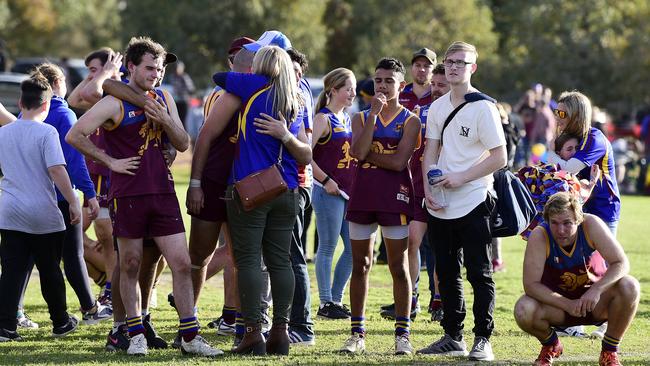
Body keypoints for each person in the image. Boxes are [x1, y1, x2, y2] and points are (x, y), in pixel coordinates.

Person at [66, 36, 222, 357]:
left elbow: (182, 143)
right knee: (131, 264)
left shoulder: (163, 96)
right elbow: (75, 134)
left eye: (160, 69)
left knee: (180, 262)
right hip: (128, 194)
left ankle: (190, 337)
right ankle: (134, 333)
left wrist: (165, 119)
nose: (156, 74)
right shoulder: (114, 102)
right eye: (150, 68)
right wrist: (110, 162)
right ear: (132, 67)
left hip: (163, 192)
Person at [211, 44, 311, 356]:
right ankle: (280, 332)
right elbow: (307, 155)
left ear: (261, 66)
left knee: (249, 260)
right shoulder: (296, 99)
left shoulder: (252, 85)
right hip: (288, 190)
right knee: (281, 261)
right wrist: (284, 135)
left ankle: (253, 333)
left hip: (250, 190)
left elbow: (219, 76)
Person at [418, 41, 506, 361]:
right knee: (445, 271)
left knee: (478, 272)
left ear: (473, 68)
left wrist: (461, 177)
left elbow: (500, 157)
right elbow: (430, 150)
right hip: (440, 202)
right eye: (450, 62)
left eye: (461, 62)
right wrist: (429, 187)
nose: (454, 67)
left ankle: (483, 338)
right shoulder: (439, 106)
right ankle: (453, 336)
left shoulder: (483, 107)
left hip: (473, 198)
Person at [340, 57, 420, 355]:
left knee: (398, 267)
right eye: (378, 80)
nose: (382, 86)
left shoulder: (411, 120)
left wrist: (369, 156)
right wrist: (373, 116)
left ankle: (402, 334)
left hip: (394, 198)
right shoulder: (361, 117)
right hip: (362, 196)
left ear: (401, 85)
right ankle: (357, 333)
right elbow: (357, 152)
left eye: (389, 81)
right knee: (360, 265)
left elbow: (399, 161)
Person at [513, 192, 639, 366]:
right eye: (554, 223)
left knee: (630, 285)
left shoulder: (591, 224)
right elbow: (531, 285)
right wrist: (567, 304)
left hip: (596, 302)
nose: (561, 230)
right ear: (547, 220)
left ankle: (609, 352)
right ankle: (551, 345)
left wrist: (596, 290)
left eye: (567, 223)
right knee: (523, 309)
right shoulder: (540, 235)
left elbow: (621, 263)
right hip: (559, 307)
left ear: (579, 219)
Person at [0, 75, 81, 341]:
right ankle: (60, 322)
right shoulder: (47, 132)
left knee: (11, 271)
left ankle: (6, 326)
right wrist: (72, 200)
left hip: (10, 211)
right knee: (49, 269)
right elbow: (57, 170)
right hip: (43, 212)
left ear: (21, 102)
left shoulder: (3, 132)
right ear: (46, 106)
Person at [184, 36, 254, 340]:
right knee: (199, 254)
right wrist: (196, 183)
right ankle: (189, 322)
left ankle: (238, 322)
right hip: (214, 181)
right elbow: (204, 137)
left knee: (241, 255)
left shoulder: (266, 95)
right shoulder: (223, 95)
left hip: (245, 184)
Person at [546, 91, 622, 340]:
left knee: (609, 264)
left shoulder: (595, 138)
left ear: (576, 114)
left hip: (604, 207)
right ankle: (573, 321)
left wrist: (550, 152)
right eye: (556, 112)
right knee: (577, 264)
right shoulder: (568, 137)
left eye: (562, 113)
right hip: (578, 206)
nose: (557, 117)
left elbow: (568, 169)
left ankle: (610, 318)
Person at [380, 48, 437, 321]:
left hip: (434, 178)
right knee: (411, 241)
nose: (422, 70)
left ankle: (438, 298)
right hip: (405, 177)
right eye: (418, 64)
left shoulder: (440, 95)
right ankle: (410, 299)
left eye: (427, 65)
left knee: (439, 245)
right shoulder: (399, 96)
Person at [311, 68, 357, 321]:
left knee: (353, 250)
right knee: (327, 247)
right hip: (328, 192)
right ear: (333, 90)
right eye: (347, 89)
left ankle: (336, 300)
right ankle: (325, 302)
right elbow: (306, 156)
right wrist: (326, 180)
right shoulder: (322, 119)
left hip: (348, 193)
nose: (352, 93)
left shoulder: (347, 118)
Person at [285, 47, 317, 347]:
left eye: (296, 71)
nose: (292, 75)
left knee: (294, 257)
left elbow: (306, 149)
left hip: (297, 185)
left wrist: (282, 134)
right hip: (291, 186)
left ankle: (303, 327)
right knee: (286, 256)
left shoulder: (298, 97)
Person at [168, 61, 195, 129]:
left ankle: (184, 137)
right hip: (175, 101)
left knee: (182, 120)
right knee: (175, 119)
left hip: (183, 101)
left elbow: (191, 89)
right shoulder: (172, 77)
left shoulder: (185, 77)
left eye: (179, 68)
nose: (177, 69)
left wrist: (180, 91)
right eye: (176, 68)